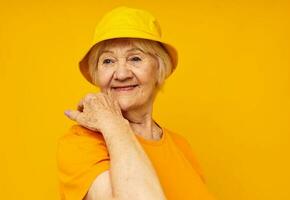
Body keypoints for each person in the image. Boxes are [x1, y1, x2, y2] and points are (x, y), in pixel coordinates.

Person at [57, 6, 216, 200]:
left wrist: (113, 123)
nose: (122, 74)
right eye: (108, 61)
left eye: (135, 58)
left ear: (159, 68)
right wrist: (114, 124)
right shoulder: (81, 142)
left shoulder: (181, 147)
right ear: (96, 74)